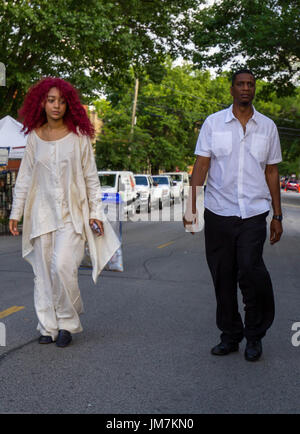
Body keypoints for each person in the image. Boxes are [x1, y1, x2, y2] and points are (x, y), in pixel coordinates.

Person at [9, 77, 120, 347]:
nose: (56, 105)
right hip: (41, 215)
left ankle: (68, 323)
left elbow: (91, 179)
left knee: (62, 267)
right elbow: (24, 178)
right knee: (43, 272)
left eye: (61, 100)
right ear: (42, 104)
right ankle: (47, 326)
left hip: (73, 215)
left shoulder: (79, 138)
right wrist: (16, 212)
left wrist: (95, 213)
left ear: (69, 104)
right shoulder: (34, 138)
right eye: (51, 100)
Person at [183, 70, 283, 362]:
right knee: (222, 277)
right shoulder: (214, 124)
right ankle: (230, 335)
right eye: (240, 84)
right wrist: (191, 207)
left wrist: (277, 215)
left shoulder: (267, 127)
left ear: (254, 89)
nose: (245, 88)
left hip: (253, 212)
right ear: (231, 89)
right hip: (218, 211)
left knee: (251, 271)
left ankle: (254, 335)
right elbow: (201, 166)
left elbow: (272, 171)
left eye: (250, 84)